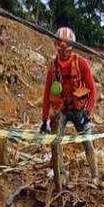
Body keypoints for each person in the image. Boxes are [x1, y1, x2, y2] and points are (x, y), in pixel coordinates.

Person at [41, 27, 99, 189]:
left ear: (72, 47)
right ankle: (62, 175)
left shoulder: (81, 63)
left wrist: (88, 112)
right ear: (56, 45)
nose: (63, 51)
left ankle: (95, 175)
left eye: (66, 47)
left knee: (87, 141)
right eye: (60, 47)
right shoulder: (53, 67)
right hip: (62, 110)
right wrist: (44, 120)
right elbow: (46, 95)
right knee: (57, 141)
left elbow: (92, 89)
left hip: (79, 109)